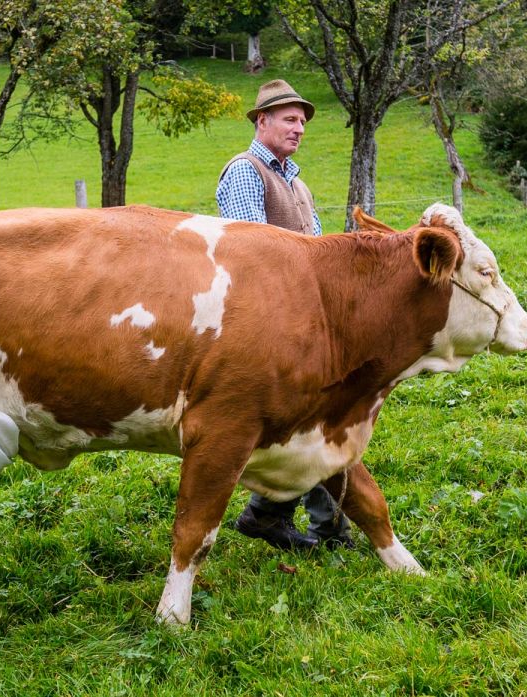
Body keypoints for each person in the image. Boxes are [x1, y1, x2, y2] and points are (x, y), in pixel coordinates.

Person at [216, 79, 353, 553]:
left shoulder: (298, 182)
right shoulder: (244, 171)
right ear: (263, 121)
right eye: (290, 119)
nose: (299, 129)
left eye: (302, 121)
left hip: (302, 319)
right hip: (262, 320)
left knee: (308, 417)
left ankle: (276, 516)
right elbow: (252, 255)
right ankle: (302, 520)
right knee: (301, 418)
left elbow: (315, 250)